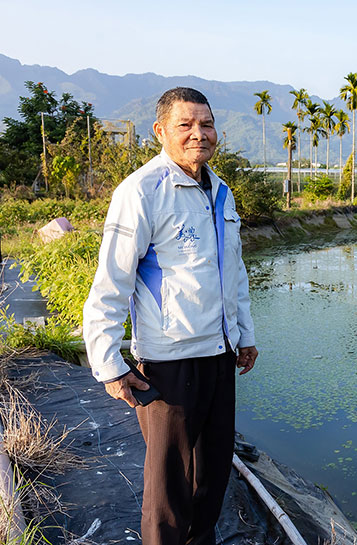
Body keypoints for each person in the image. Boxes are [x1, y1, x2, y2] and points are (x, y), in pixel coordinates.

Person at [83, 87, 258, 545]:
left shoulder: (221, 192)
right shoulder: (142, 191)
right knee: (168, 492)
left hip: (219, 357)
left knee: (212, 480)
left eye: (206, 124)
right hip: (169, 363)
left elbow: (233, 272)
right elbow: (111, 283)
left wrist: (245, 335)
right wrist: (109, 366)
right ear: (160, 131)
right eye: (186, 125)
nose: (199, 134)